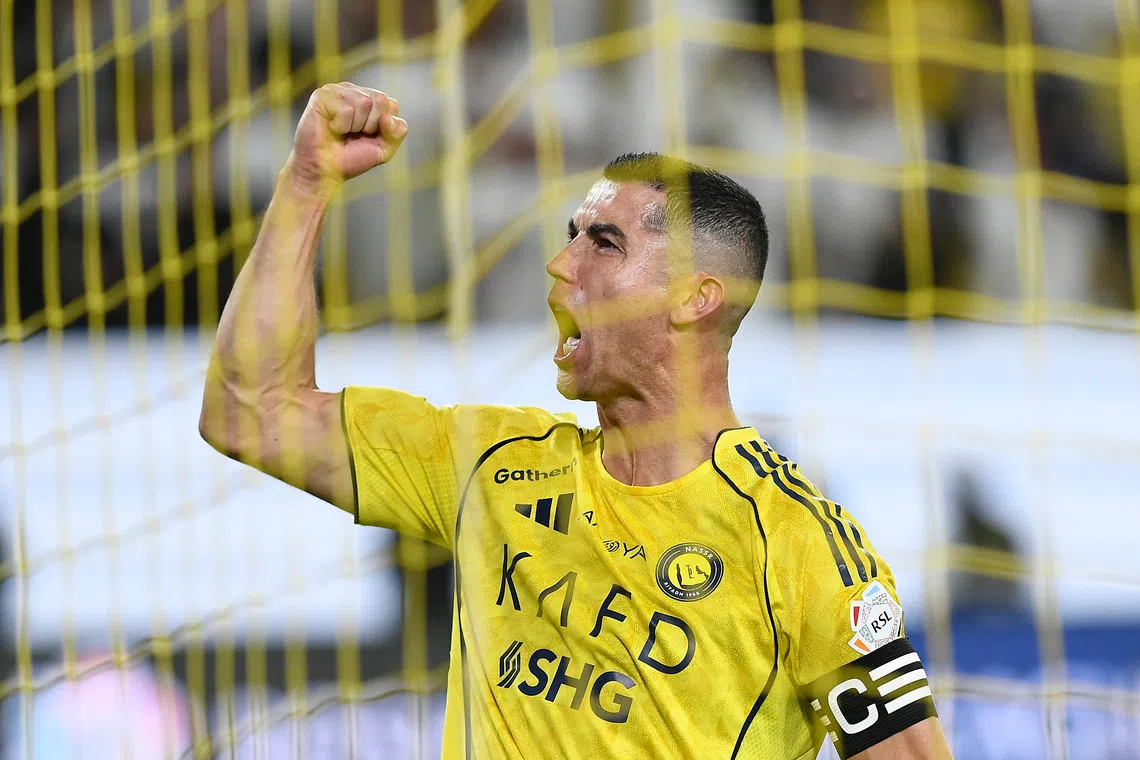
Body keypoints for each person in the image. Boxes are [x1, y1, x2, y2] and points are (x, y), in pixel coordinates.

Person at [199, 82, 953, 760]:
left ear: (695, 298)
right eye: (570, 236)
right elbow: (249, 412)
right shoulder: (489, 465)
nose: (561, 266)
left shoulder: (795, 542)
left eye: (603, 242)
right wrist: (306, 185)